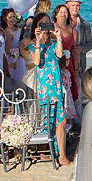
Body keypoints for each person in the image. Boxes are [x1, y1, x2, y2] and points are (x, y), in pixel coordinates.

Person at [27, 16, 72, 166]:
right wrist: (38, 41)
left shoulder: (53, 45)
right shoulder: (33, 46)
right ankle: (47, 152)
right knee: (48, 121)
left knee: (61, 120)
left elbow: (60, 55)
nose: (46, 29)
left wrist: (58, 36)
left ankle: (61, 155)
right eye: (43, 26)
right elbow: (36, 61)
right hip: (45, 89)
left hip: (56, 87)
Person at [54, 3, 80, 108]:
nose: (63, 14)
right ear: (56, 14)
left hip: (68, 64)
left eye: (65, 12)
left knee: (69, 90)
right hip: (56, 62)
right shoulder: (52, 27)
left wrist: (76, 69)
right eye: (61, 12)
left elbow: (74, 51)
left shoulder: (72, 30)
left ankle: (69, 117)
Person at [66, 0, 92, 76]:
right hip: (65, 63)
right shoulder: (63, 23)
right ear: (67, 6)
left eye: (77, 5)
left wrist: (81, 49)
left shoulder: (85, 24)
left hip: (80, 63)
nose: (75, 8)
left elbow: (90, 43)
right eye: (73, 5)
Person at [0, 8, 24, 83]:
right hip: (12, 60)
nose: (13, 19)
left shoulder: (12, 30)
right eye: (10, 17)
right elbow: (7, 51)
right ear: (4, 18)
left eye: (13, 17)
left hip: (17, 59)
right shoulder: (7, 32)